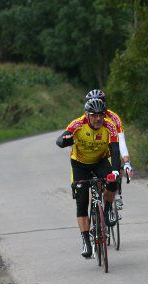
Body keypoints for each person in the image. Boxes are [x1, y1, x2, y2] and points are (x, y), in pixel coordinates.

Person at [56, 98, 120, 258]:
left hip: (100, 161)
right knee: (82, 200)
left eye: (101, 115)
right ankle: (86, 240)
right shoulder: (77, 124)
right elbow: (61, 139)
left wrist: (115, 171)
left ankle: (107, 211)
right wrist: (64, 141)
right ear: (87, 115)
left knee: (113, 183)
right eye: (94, 115)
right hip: (80, 165)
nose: (98, 118)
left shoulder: (109, 126)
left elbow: (115, 150)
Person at [85, 89, 133, 178]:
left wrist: (126, 162)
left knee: (115, 169)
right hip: (92, 148)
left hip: (108, 147)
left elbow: (121, 140)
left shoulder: (114, 118)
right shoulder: (86, 117)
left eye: (99, 101)